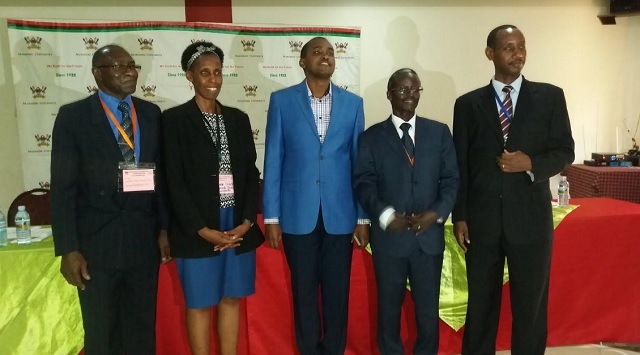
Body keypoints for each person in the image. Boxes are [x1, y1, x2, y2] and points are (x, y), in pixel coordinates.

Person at [452, 25, 575, 354]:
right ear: (490, 54)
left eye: (521, 47)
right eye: (508, 48)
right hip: (482, 221)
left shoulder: (550, 97)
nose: (517, 54)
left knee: (531, 307)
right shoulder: (467, 105)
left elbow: (565, 151)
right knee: (480, 306)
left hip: (531, 221)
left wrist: (531, 163)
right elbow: (460, 165)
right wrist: (460, 215)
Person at [50, 44, 170, 354]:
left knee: (141, 328)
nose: (129, 71)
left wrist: (164, 229)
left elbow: (162, 179)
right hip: (96, 244)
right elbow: (63, 188)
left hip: (142, 240)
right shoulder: (73, 116)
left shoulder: (150, 112)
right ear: (97, 73)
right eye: (118, 66)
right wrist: (69, 249)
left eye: (132, 65)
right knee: (101, 331)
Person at [262, 36, 370, 355]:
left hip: (341, 215)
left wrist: (362, 216)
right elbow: (273, 159)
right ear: (303, 61)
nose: (325, 56)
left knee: (337, 293)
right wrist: (271, 217)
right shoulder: (282, 101)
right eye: (317, 52)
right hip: (297, 215)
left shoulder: (354, 104)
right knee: (304, 293)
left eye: (330, 52)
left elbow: (359, 165)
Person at [162, 41, 263, 355]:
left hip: (235, 224)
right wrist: (202, 230)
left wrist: (246, 222)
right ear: (189, 76)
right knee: (201, 302)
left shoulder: (237, 118)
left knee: (231, 298)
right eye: (204, 72)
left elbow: (249, 173)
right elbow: (173, 181)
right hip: (197, 226)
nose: (213, 79)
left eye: (218, 72)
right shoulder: (174, 120)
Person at [353, 68, 459, 355]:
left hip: (428, 239)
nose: (409, 94)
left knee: (427, 314)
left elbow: (451, 180)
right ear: (389, 94)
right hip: (390, 241)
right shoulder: (372, 137)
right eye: (402, 89)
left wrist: (435, 213)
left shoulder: (439, 132)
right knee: (388, 313)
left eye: (415, 89)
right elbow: (364, 183)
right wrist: (386, 217)